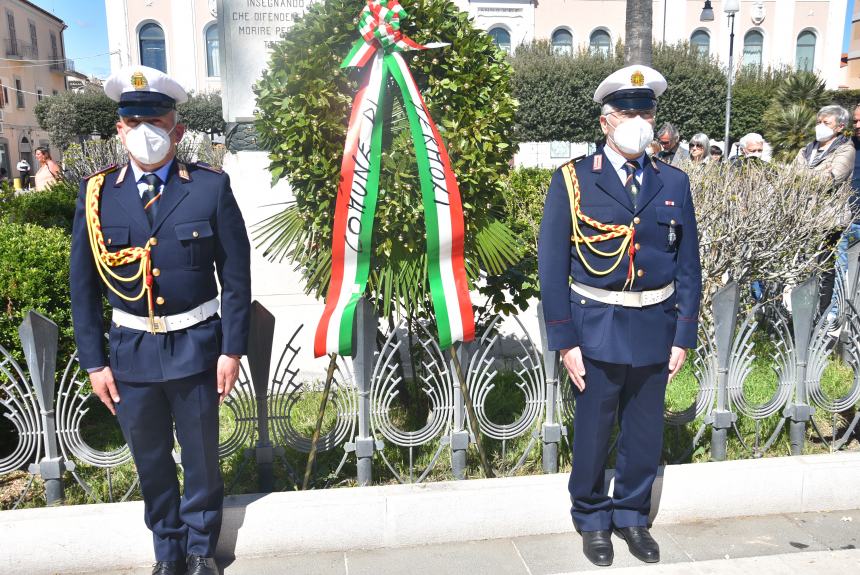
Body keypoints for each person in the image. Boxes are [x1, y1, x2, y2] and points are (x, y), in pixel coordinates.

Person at [69, 66, 251, 575]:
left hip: (196, 347)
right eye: (133, 120)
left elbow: (236, 276)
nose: (145, 130)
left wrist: (231, 350)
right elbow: (82, 286)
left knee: (200, 457)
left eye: (157, 119)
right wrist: (93, 363)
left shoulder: (209, 189)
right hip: (130, 353)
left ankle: (199, 549)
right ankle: (167, 551)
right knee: (150, 461)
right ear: (119, 129)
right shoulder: (97, 195)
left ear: (178, 128)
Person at [538, 65, 702, 567]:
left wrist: (683, 335)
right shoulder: (573, 180)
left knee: (644, 429)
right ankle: (590, 516)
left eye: (646, 111)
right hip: (596, 327)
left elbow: (689, 264)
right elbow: (551, 266)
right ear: (606, 121)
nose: (639, 120)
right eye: (628, 112)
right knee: (593, 428)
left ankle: (632, 515)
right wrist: (565, 342)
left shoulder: (673, 180)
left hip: (654, 325)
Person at [792, 105, 854, 184]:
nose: (820, 126)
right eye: (819, 122)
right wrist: (821, 173)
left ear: (840, 127)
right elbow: (791, 173)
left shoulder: (846, 150)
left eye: (826, 123)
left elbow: (833, 179)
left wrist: (800, 173)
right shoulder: (805, 149)